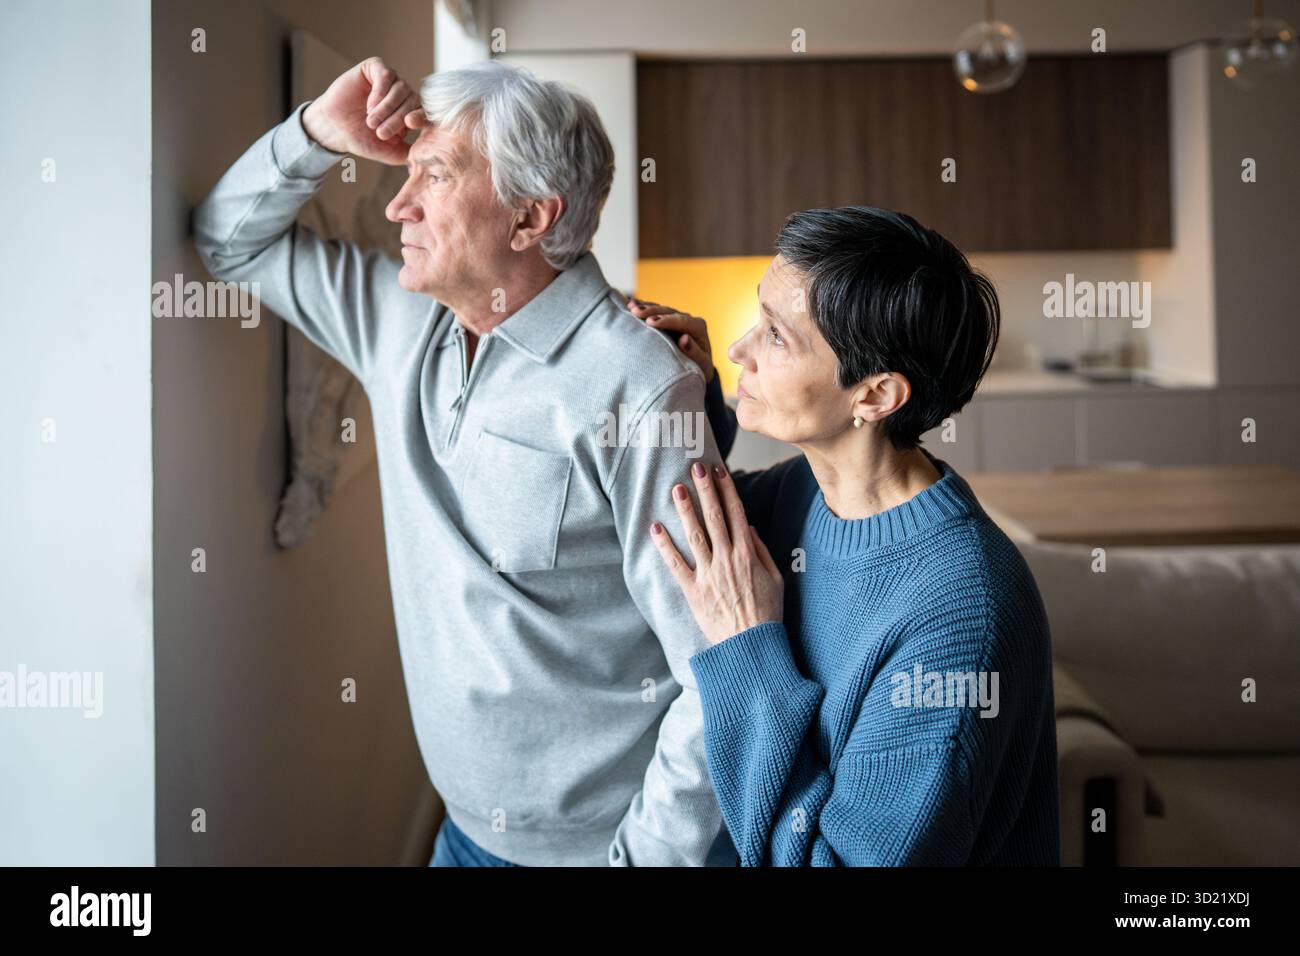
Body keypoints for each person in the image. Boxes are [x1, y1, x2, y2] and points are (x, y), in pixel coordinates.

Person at [195, 58, 734, 866]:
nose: (396, 203)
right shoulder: (398, 320)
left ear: (529, 218)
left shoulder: (644, 384)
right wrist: (314, 134)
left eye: (433, 175)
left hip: (606, 851)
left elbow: (717, 670)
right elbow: (226, 243)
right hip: (463, 838)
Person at [629, 206, 1061, 865]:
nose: (739, 348)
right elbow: (684, 516)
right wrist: (689, 394)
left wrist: (748, 646)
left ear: (876, 394)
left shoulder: (961, 620)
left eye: (776, 337)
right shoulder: (804, 493)